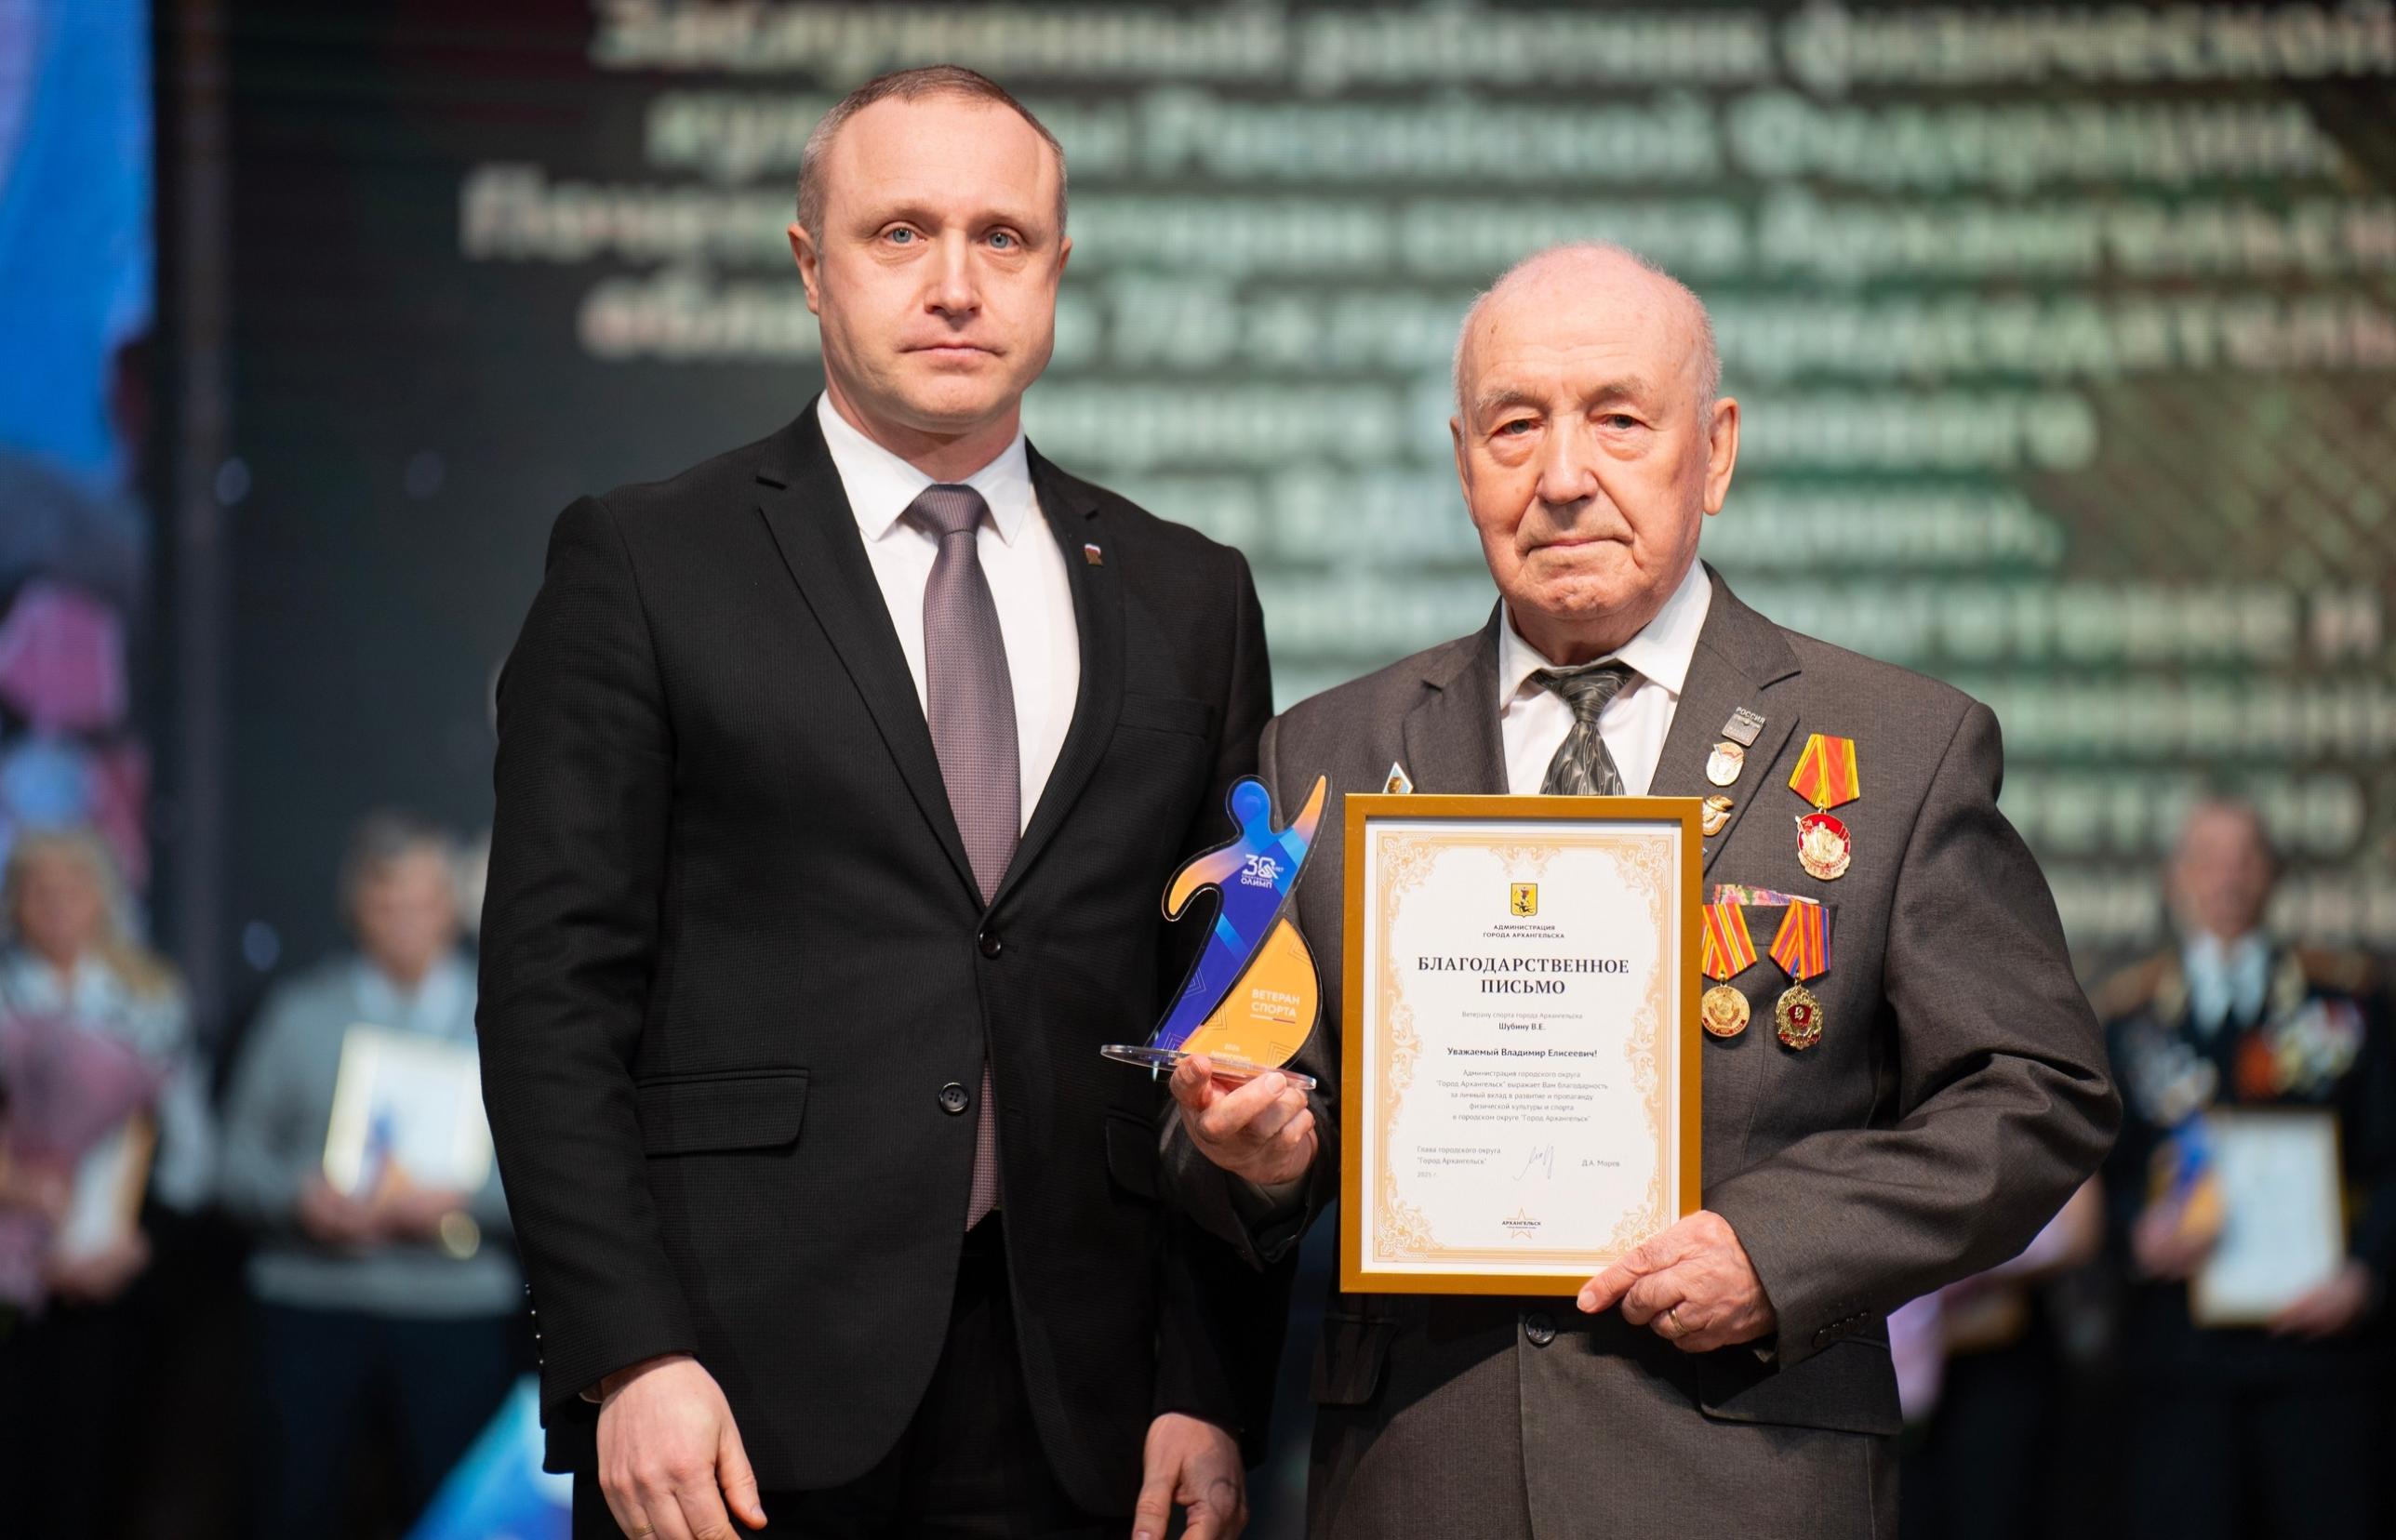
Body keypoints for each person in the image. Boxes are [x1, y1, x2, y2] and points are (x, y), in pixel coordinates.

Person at [1163, 243, 2120, 1538]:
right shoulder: (1325, 752)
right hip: (1421, 1479)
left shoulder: (1897, 745)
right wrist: (1256, 1151)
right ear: (1462, 461)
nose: (1563, 477)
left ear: (1713, 453)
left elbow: (2037, 1089)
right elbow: (1250, 1116)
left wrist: (1780, 1250)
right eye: (1515, 427)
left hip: (1743, 1478)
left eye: (1618, 419)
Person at [477, 64, 1279, 1540]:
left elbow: (1221, 1012)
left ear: (1057, 267)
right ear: (810, 266)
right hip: (731, 1393)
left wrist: (1208, 1382)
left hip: (1090, 1408)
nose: (957, 284)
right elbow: (550, 996)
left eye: (1002, 238)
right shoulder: (646, 563)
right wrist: (625, 1353)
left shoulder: (1190, 593)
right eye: (901, 233)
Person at [2096, 798, 2395, 1540]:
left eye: (2245, 859)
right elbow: (2101, 1178)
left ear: (2273, 874)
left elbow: (2390, 1160)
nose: (2227, 879)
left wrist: (2367, 1275)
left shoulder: (2347, 1007)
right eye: (2208, 860)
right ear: (2176, 878)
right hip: (2179, 1366)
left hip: (2322, 1362)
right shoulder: (2131, 1022)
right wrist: (2137, 1235)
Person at [219, 811, 520, 1538]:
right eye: (387, 900)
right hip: (314, 1299)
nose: (406, 919)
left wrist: (463, 1200)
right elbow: (232, 1165)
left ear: (452, 906)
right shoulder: (298, 1015)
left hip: (458, 1306)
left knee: (462, 1517)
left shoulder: (508, 1019)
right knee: (292, 1508)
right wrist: (301, 1200)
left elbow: (556, 1170)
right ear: (356, 906)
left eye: (423, 899)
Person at [0, 826, 211, 1539]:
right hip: (9, 1286)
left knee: (95, 1478)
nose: (57, 904)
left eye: (75, 888)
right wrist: (17, 1188)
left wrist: (139, 1243)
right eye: (39, 889)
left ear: (105, 900)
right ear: (14, 902)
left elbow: (186, 1151)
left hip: (111, 1279)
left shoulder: (151, 999)